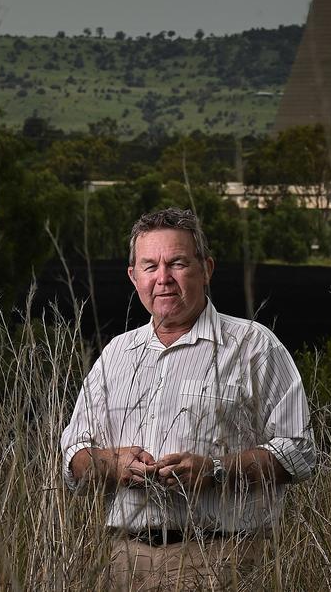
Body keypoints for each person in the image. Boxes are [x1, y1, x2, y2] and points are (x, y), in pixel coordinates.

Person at [61, 207, 316, 591]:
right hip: (125, 561)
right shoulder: (116, 355)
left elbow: (299, 451)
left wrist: (215, 471)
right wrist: (113, 464)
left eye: (177, 263)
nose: (163, 278)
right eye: (150, 266)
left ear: (206, 268)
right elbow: (73, 456)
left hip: (222, 558)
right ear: (133, 277)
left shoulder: (253, 347)